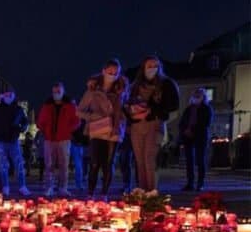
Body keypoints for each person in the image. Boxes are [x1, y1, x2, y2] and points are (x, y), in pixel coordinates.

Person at [77, 59, 129, 201]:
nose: (112, 75)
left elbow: (126, 109)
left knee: (109, 163)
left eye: (115, 72)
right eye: (109, 71)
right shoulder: (93, 89)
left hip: (114, 130)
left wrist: (123, 116)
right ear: (103, 71)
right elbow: (79, 111)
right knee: (94, 163)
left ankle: (104, 193)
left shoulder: (122, 89)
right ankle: (90, 193)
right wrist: (93, 116)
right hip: (97, 129)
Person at [126, 55, 180, 192]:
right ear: (143, 68)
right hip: (137, 126)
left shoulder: (166, 84)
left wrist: (152, 110)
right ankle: (142, 191)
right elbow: (125, 104)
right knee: (139, 161)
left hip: (155, 124)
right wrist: (132, 111)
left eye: (155, 66)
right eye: (149, 66)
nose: (152, 69)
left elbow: (173, 105)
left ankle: (152, 192)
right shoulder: (135, 86)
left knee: (150, 159)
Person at [36, 82, 80, 196]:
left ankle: (63, 188)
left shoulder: (70, 105)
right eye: (54, 91)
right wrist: (45, 130)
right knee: (49, 164)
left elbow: (77, 121)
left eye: (58, 91)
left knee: (64, 165)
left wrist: (67, 130)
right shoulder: (47, 106)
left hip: (64, 139)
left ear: (63, 91)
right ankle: (49, 187)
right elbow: (41, 121)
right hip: (49, 139)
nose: (56, 93)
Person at [0, 90, 30, 196]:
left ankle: (22, 186)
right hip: (1, 140)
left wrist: (20, 129)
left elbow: (25, 122)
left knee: (18, 164)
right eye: (6, 95)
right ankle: (6, 186)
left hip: (13, 139)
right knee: (3, 165)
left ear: (13, 96)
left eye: (10, 95)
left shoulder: (18, 109)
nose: (8, 96)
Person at [179, 88, 213, 191]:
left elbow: (206, 123)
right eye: (195, 95)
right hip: (187, 137)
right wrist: (184, 130)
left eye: (199, 95)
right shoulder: (189, 109)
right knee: (189, 160)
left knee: (200, 160)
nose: (196, 97)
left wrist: (192, 130)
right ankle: (190, 183)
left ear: (203, 97)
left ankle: (200, 183)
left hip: (200, 136)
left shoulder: (207, 108)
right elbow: (182, 122)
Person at [70, 120, 89, 192]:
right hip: (77, 143)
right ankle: (79, 184)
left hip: (76, 143)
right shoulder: (83, 120)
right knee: (79, 164)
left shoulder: (81, 121)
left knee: (79, 164)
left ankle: (79, 184)